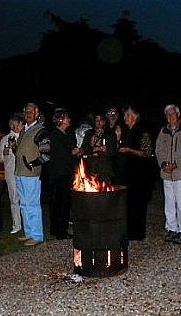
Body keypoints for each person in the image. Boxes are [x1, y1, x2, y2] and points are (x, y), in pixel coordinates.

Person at [155, 104, 181, 245]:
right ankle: (171, 228)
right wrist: (163, 164)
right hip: (167, 173)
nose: (170, 116)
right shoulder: (163, 131)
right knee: (169, 203)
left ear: (178, 114)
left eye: (172, 113)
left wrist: (176, 163)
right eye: (168, 114)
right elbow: (158, 150)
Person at [14, 103, 50, 246]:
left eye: (31, 111)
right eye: (26, 111)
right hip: (20, 172)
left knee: (32, 204)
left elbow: (46, 154)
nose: (28, 114)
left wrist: (33, 164)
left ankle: (37, 235)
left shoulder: (41, 130)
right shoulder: (24, 130)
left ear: (36, 113)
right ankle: (29, 232)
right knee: (24, 204)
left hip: (31, 174)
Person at [119, 104, 155, 241]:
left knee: (139, 203)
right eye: (125, 115)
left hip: (141, 173)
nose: (125, 118)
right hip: (129, 173)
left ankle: (138, 233)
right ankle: (129, 231)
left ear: (136, 116)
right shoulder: (126, 131)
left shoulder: (143, 131)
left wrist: (130, 150)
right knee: (129, 202)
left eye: (128, 115)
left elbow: (147, 152)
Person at [48, 109, 81, 240]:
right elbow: (58, 155)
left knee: (62, 202)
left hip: (65, 172)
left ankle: (58, 229)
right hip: (60, 173)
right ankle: (60, 230)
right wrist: (72, 152)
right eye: (67, 118)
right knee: (61, 202)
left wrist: (75, 152)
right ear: (61, 120)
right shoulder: (55, 135)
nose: (69, 120)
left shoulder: (67, 134)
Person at [0, 113, 25, 234]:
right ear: (14, 126)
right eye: (21, 124)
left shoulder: (24, 137)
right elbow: (0, 158)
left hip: (24, 172)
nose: (23, 126)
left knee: (25, 198)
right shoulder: (5, 139)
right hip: (11, 173)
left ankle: (27, 223)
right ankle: (16, 224)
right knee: (14, 199)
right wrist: (5, 152)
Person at [82, 112, 117, 184]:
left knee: (105, 189)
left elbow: (113, 151)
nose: (98, 122)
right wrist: (93, 147)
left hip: (104, 168)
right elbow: (83, 149)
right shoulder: (89, 133)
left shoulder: (109, 134)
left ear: (104, 121)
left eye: (100, 120)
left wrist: (106, 150)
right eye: (96, 120)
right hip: (91, 167)